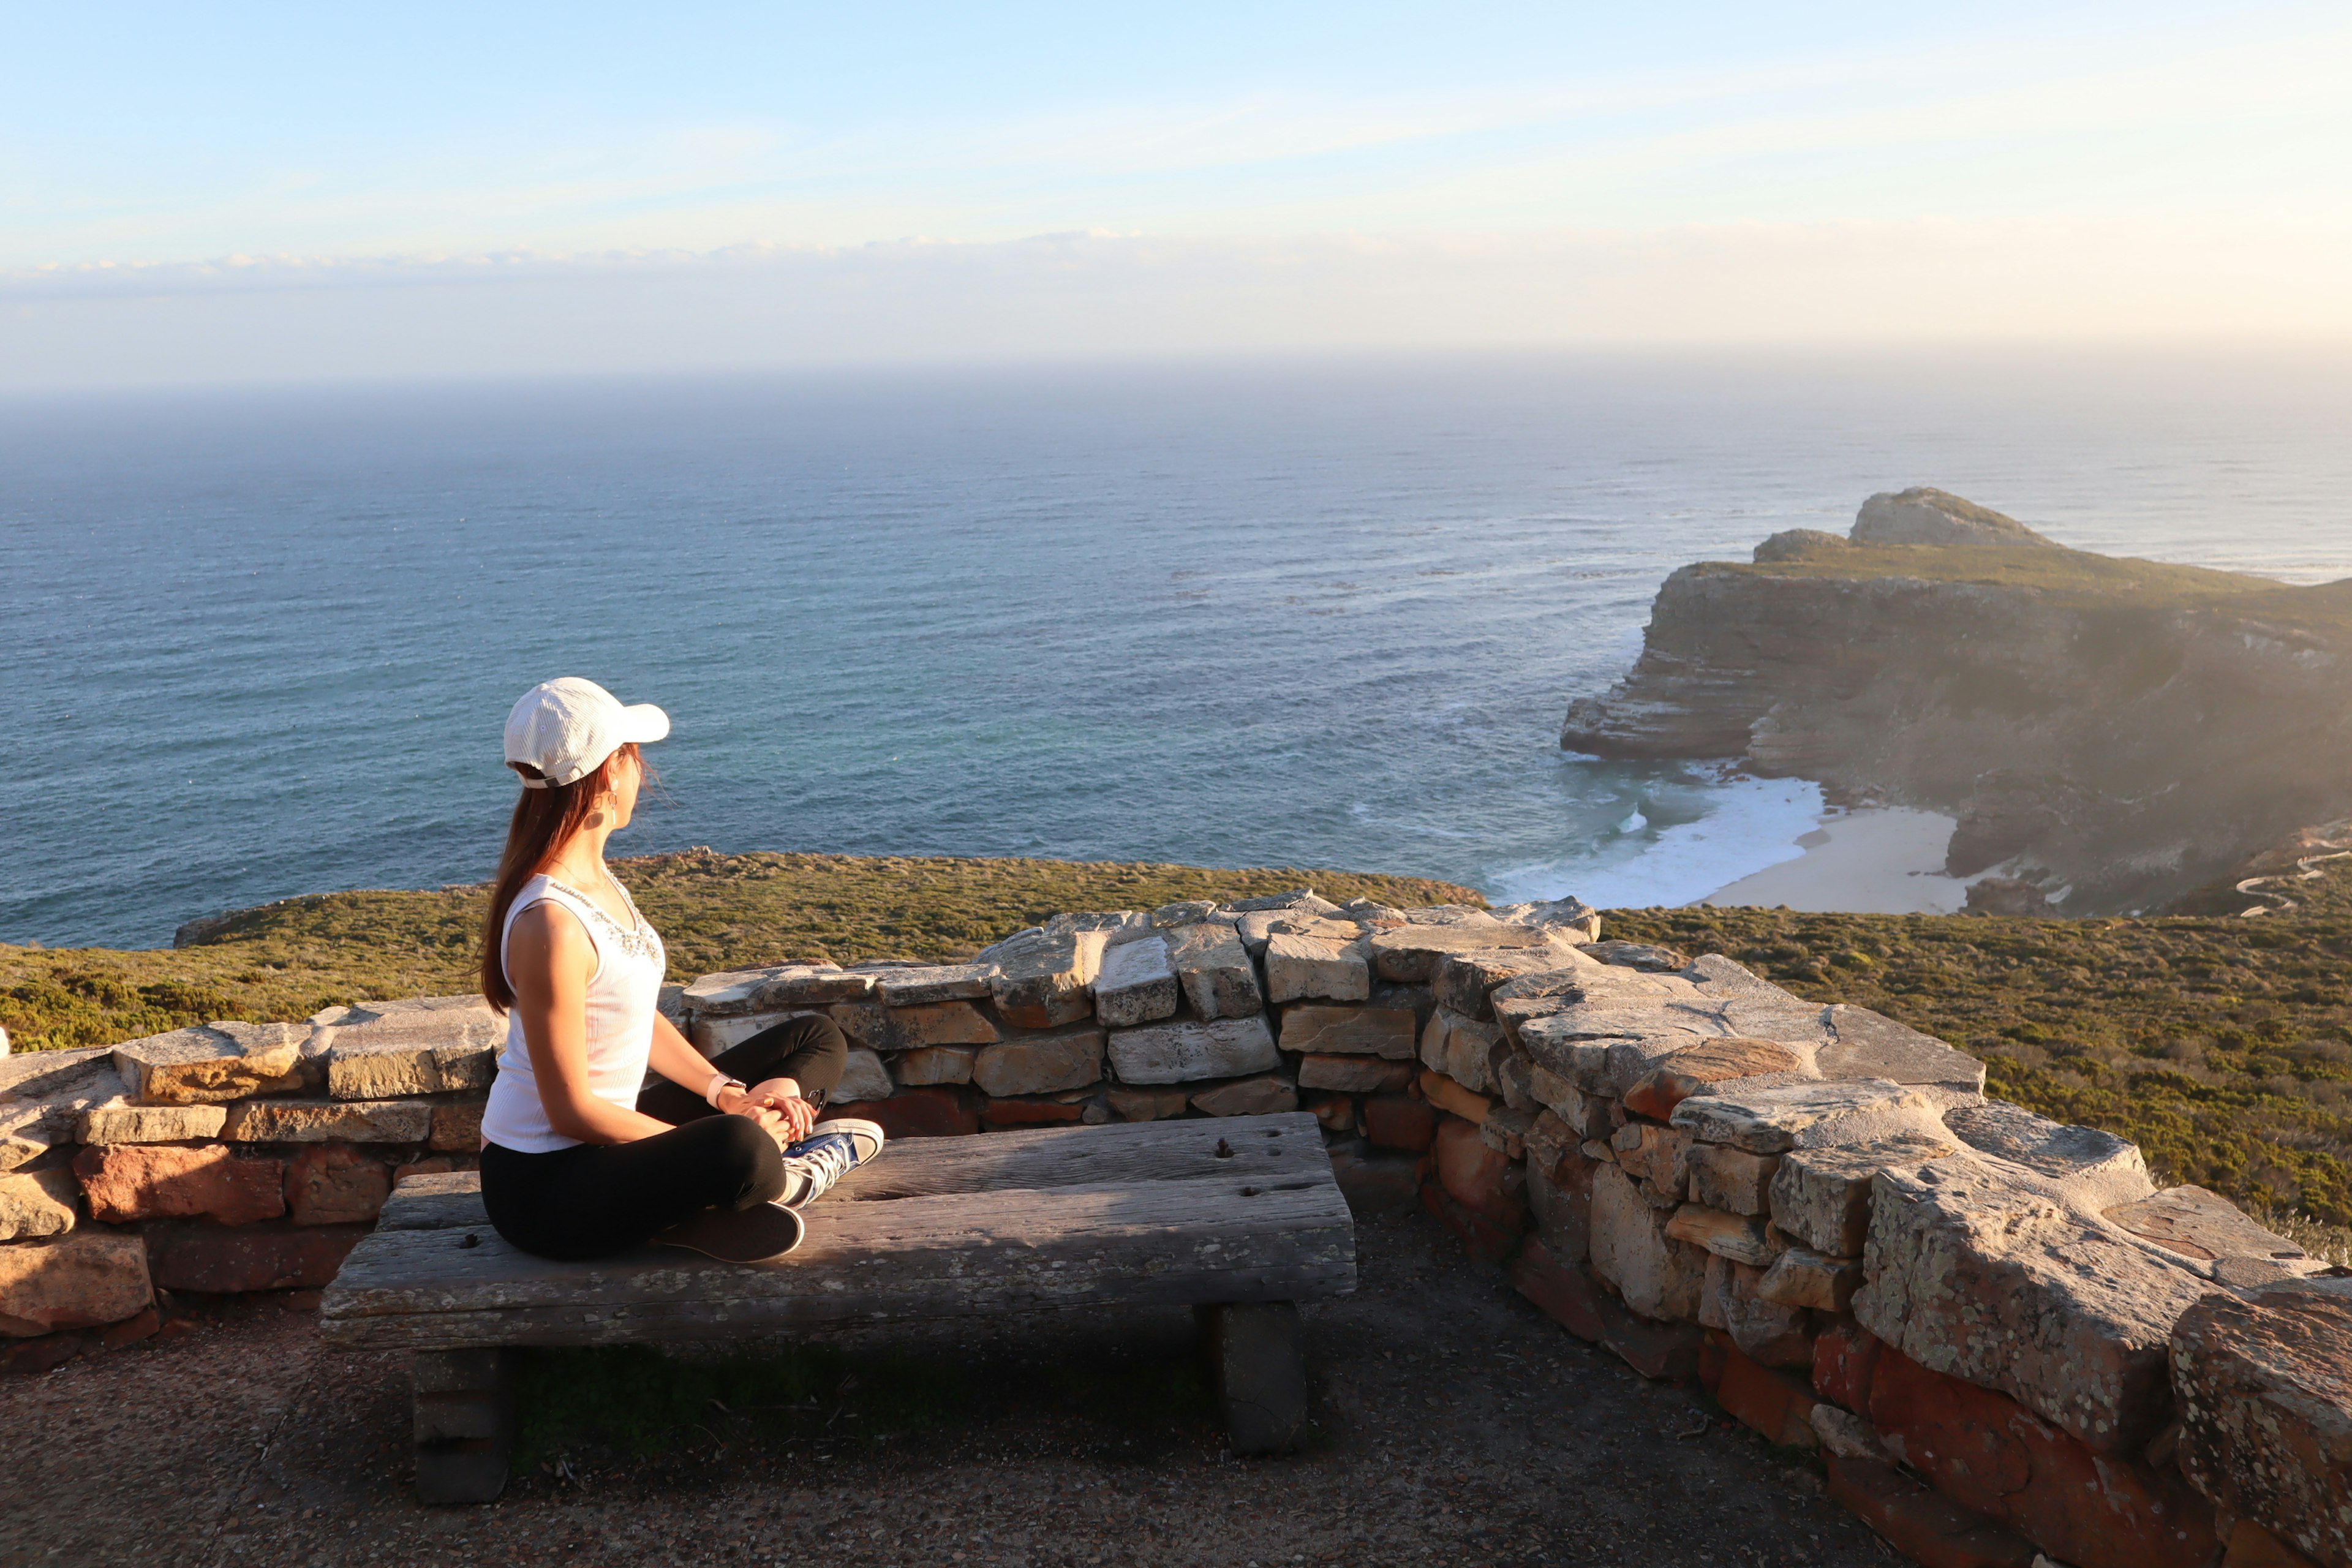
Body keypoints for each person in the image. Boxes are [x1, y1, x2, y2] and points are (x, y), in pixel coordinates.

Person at [475, 677, 883, 1262]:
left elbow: (632, 1017)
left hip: (609, 1145)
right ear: (610, 774)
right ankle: (785, 1176)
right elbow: (571, 1113)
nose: (642, 773)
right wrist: (724, 1135)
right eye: (634, 758)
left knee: (815, 1037)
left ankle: (695, 1201)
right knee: (740, 1149)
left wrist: (728, 1097)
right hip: (545, 1188)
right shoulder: (551, 923)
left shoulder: (596, 882)